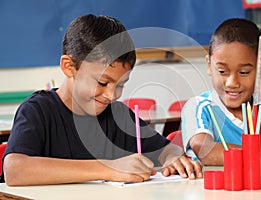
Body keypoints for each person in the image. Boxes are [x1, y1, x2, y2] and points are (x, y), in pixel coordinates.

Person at [1, 14, 202, 186]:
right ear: (69, 66)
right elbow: (14, 170)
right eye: (102, 82)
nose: (112, 95)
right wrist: (108, 168)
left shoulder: (120, 116)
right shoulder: (38, 110)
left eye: (121, 85)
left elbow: (166, 147)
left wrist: (172, 156)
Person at [181, 18, 261, 166]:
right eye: (222, 71)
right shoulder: (198, 107)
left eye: (244, 72)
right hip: (214, 189)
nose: (232, 83)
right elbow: (207, 151)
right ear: (208, 65)